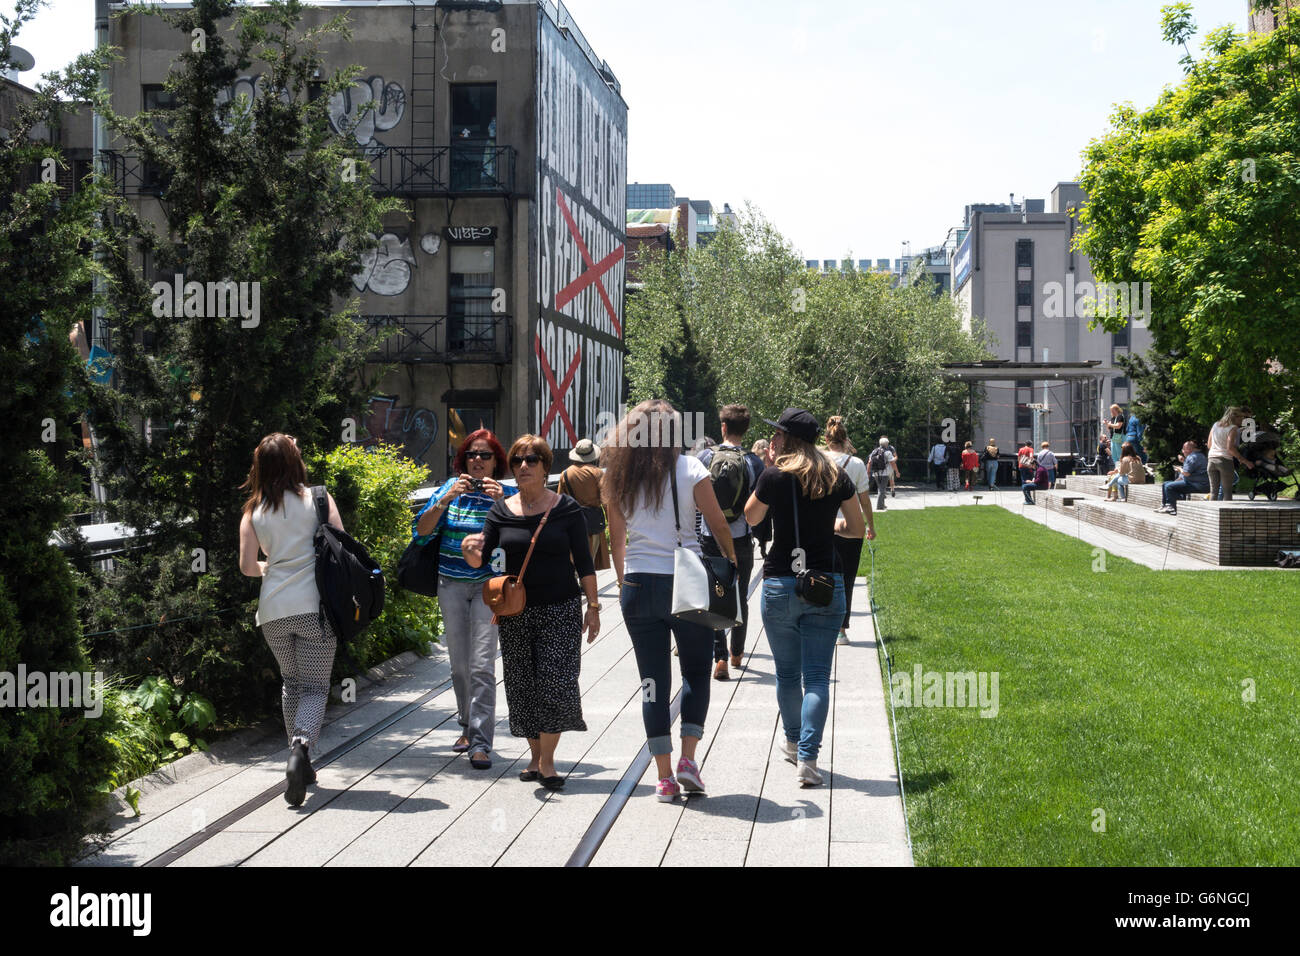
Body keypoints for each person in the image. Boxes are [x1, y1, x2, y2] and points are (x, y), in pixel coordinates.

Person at [603, 399, 737, 803]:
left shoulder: (616, 475)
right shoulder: (692, 469)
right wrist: (730, 563)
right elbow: (717, 524)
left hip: (640, 585)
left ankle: (662, 778)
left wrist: (627, 582)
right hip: (687, 581)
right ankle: (688, 760)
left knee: (651, 682)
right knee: (696, 673)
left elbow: (616, 540)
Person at [461, 435, 599, 791]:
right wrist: (469, 550)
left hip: (560, 608)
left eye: (531, 460)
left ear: (545, 466)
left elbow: (584, 563)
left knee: (555, 682)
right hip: (514, 611)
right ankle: (534, 756)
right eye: (518, 460)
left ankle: (548, 762)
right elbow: (487, 557)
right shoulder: (501, 510)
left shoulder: (566, 510)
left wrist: (594, 606)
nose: (523, 466)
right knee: (522, 685)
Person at [745, 408, 867, 787]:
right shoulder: (835, 474)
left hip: (781, 583)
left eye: (778, 434)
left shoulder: (774, 476)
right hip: (825, 585)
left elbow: (750, 518)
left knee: (787, 674)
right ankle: (809, 760)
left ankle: (794, 742)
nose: (775, 440)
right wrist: (830, 525)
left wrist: (769, 470)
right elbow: (857, 527)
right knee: (817, 676)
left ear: (787, 438)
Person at [238, 433, 344, 806]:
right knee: (315, 687)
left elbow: (248, 566)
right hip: (314, 608)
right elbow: (340, 543)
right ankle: (300, 749)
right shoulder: (316, 498)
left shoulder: (253, 511)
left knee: (292, 683)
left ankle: (303, 761)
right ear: (293, 462)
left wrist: (272, 565)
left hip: (272, 612)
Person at [411, 429, 515, 769]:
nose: (478, 461)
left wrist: (505, 501)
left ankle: (481, 742)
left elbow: (522, 536)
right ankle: (467, 726)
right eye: (472, 454)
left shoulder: (507, 494)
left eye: (485, 455)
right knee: (459, 665)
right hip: (451, 585)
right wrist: (444, 500)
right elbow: (422, 532)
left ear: (496, 461)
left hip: (489, 588)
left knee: (482, 664)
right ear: (463, 460)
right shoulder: (449, 491)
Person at [698, 404, 763, 680]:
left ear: (723, 427)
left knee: (714, 595)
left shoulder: (703, 457)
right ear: (745, 430)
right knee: (741, 595)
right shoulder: (753, 462)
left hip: (710, 537)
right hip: (740, 538)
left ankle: (720, 658)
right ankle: (737, 652)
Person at [825, 418, 876, 646]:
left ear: (826, 439)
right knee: (846, 579)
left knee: (822, 575)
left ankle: (822, 623)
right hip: (850, 527)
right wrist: (871, 526)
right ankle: (841, 630)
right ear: (846, 440)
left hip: (823, 525)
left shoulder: (818, 460)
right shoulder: (855, 464)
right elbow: (864, 501)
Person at [557, 437, 610, 571]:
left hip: (571, 521)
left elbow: (559, 501)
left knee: (572, 553)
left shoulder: (565, 474)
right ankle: (586, 584)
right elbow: (606, 501)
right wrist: (610, 521)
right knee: (589, 558)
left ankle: (573, 580)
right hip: (593, 521)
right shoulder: (597, 473)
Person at [1206, 406, 1255, 501]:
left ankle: (1212, 515)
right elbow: (1230, 448)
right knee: (1227, 492)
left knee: (1213, 492)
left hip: (1211, 460)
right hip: (1224, 461)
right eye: (1241, 417)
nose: (1242, 420)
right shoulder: (1233, 428)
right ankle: (1227, 515)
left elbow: (1209, 445)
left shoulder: (1215, 425)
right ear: (1235, 417)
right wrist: (1244, 460)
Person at [1156, 440, 1209, 515]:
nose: (1182, 451)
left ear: (1189, 449)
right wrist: (1184, 462)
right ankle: (1166, 505)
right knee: (1165, 483)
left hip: (1198, 485)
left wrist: (1179, 469)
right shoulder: (1198, 456)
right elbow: (1190, 469)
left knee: (1169, 487)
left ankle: (1174, 507)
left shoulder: (1192, 457)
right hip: (1195, 483)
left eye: (1183, 449)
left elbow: (1186, 473)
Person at [750, 438, 773, 558]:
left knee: (752, 523)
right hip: (765, 496)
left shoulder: (751, 460)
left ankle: (751, 541)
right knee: (765, 523)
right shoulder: (767, 462)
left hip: (752, 495)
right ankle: (763, 548)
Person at [866, 435, 894, 513]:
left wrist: (868, 472)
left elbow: (869, 462)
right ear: (886, 444)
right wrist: (897, 471)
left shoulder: (874, 451)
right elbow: (892, 463)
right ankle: (879, 507)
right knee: (882, 490)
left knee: (881, 489)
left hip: (875, 473)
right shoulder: (888, 452)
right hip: (884, 474)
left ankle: (882, 504)